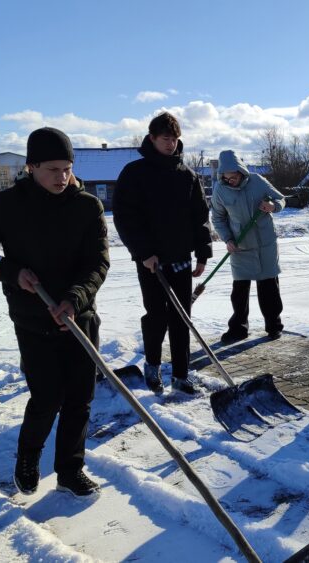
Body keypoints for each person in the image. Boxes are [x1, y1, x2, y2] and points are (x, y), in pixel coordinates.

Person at [0, 127, 110, 498]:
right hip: (33, 318)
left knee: (79, 398)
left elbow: (98, 263)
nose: (62, 177)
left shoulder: (87, 206)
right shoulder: (6, 205)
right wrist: (10, 272)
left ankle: (70, 470)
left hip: (79, 318)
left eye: (67, 168)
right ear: (31, 167)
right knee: (47, 397)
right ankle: (28, 457)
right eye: (52, 169)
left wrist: (75, 299)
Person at [112, 112, 211, 395]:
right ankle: (152, 365)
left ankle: (181, 374)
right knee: (156, 316)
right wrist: (144, 252)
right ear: (152, 138)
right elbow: (125, 217)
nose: (171, 144)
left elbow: (199, 216)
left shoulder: (187, 175)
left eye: (175, 139)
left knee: (182, 317)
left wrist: (202, 252)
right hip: (151, 261)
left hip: (181, 258)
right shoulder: (135, 173)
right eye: (165, 139)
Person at [210, 150, 286, 344]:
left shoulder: (257, 180)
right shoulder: (220, 189)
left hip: (265, 244)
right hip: (239, 245)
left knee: (269, 286)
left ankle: (274, 326)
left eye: (233, 177)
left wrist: (272, 207)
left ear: (241, 171)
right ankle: (238, 329)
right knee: (239, 290)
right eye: (226, 178)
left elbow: (281, 199)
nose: (230, 181)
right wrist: (227, 239)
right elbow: (218, 218)